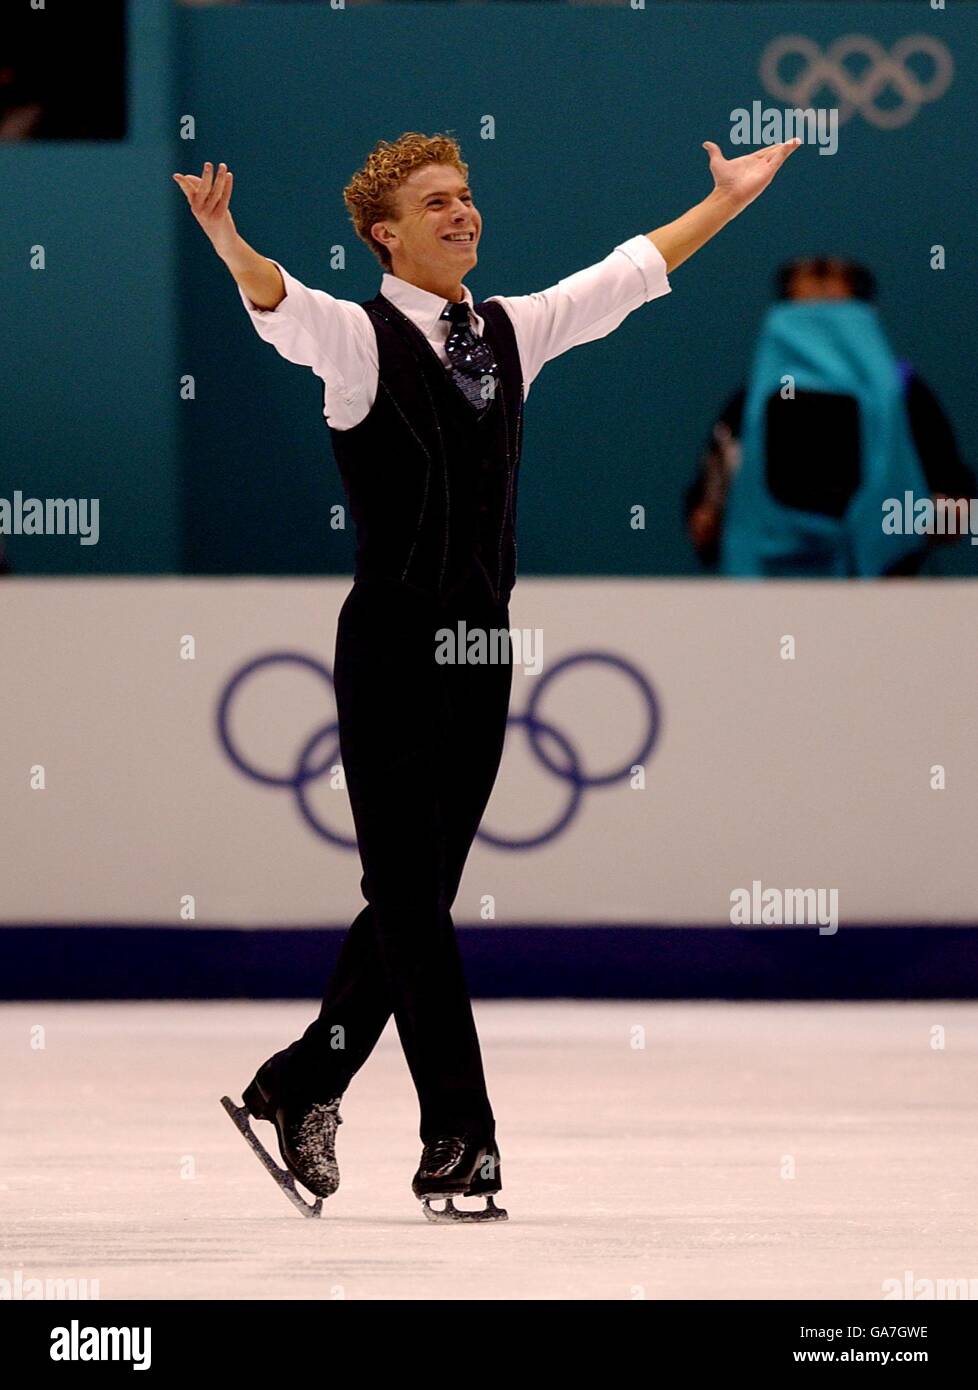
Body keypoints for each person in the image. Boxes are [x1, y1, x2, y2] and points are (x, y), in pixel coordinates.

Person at [174, 129, 800, 1220]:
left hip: (486, 645)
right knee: (411, 896)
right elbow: (281, 303)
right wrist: (230, 243)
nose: (462, 213)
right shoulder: (360, 340)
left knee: (414, 899)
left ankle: (301, 1080)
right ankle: (459, 1136)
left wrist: (728, 202)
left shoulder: (512, 330)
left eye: (466, 196)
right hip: (391, 644)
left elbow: (628, 274)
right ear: (387, 234)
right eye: (436, 203)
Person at [686, 257, 973, 576]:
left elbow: (955, 508)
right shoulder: (750, 404)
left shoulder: (904, 395)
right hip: (768, 588)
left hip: (883, 590)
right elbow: (705, 517)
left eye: (836, 315)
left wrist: (934, 516)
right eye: (807, 317)